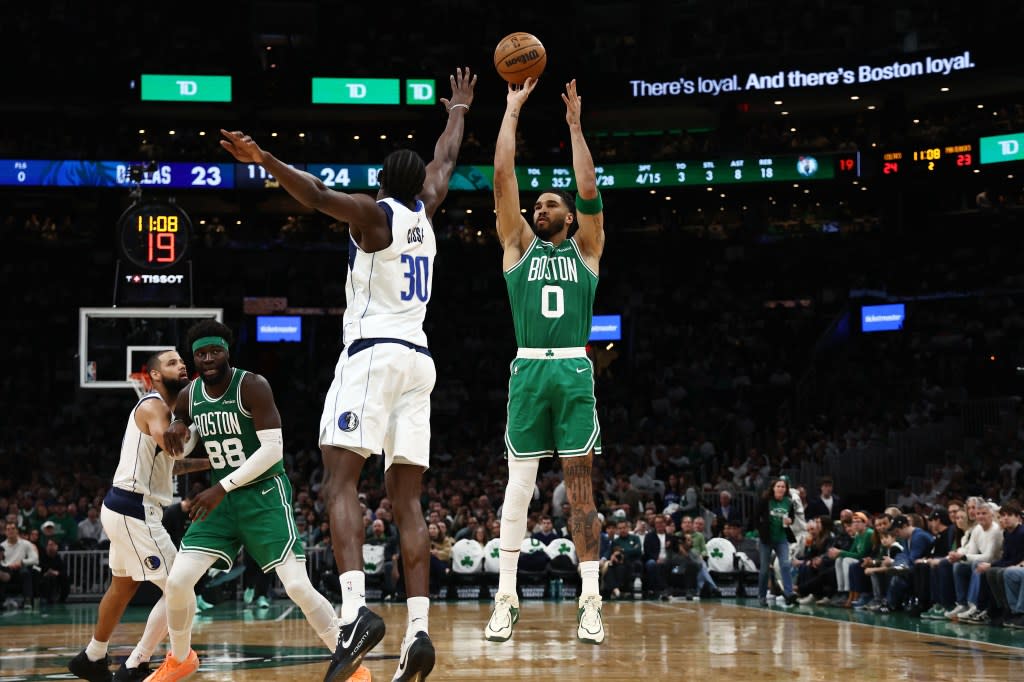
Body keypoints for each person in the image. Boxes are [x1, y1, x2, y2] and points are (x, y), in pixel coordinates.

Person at [220, 66, 476, 682]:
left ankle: (357, 612)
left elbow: (312, 193)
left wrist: (265, 159)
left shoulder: (374, 213)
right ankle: (418, 630)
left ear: (385, 181)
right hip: (420, 362)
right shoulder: (428, 208)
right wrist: (458, 112)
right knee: (407, 499)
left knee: (339, 483)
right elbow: (443, 162)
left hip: (373, 356)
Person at [145, 322, 352, 682]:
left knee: (298, 587)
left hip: (263, 496)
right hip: (221, 504)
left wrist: (221, 487)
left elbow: (272, 451)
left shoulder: (252, 385)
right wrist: (179, 428)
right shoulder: (189, 395)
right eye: (201, 354)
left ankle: (350, 661)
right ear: (194, 359)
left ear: (227, 351)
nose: (208, 359)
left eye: (215, 352)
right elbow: (189, 434)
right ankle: (181, 658)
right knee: (177, 582)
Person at [483, 77, 607, 646]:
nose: (540, 207)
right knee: (518, 488)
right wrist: (510, 113)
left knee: (580, 488)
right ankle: (505, 596)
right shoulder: (517, 246)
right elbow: (504, 177)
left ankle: (590, 598)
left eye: (550, 203)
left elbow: (589, 188)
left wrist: (576, 127)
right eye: (538, 204)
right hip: (529, 368)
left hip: (574, 371)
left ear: (570, 217)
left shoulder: (587, 249)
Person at [68, 349, 206, 682]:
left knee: (122, 588)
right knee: (181, 587)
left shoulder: (165, 411)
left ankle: (93, 656)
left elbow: (173, 461)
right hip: (134, 510)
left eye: (181, 361)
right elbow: (174, 445)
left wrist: (215, 463)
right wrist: (199, 419)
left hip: (122, 507)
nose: (182, 364)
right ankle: (135, 664)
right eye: (172, 362)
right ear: (155, 375)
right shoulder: (154, 406)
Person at [754, 477, 797, 607]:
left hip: (782, 538)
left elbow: (792, 517)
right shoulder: (765, 501)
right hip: (767, 539)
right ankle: (762, 596)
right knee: (765, 569)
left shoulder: (789, 502)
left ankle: (789, 594)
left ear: (786, 489)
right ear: (773, 488)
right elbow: (755, 517)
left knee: (785, 564)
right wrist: (761, 531)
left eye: (783, 487)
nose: (780, 488)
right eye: (778, 486)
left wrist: (790, 521)